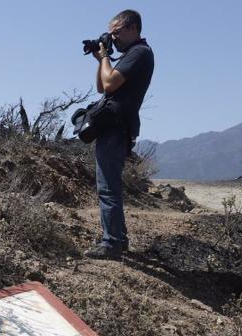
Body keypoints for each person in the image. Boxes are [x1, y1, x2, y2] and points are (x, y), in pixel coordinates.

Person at [83, 9, 154, 259]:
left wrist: (105, 57)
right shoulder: (131, 55)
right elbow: (103, 86)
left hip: (116, 127)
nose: (114, 39)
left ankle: (111, 243)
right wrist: (100, 58)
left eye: (116, 32)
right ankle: (118, 239)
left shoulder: (139, 53)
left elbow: (110, 82)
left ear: (133, 28)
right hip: (114, 126)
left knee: (107, 187)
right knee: (109, 183)